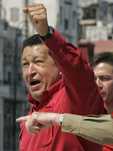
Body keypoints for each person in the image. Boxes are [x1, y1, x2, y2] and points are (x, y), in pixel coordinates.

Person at [18, 3, 105, 151]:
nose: (30, 71)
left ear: (60, 66)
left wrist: (47, 34)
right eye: (25, 64)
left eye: (38, 61)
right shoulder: (30, 118)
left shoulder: (73, 100)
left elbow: (78, 69)